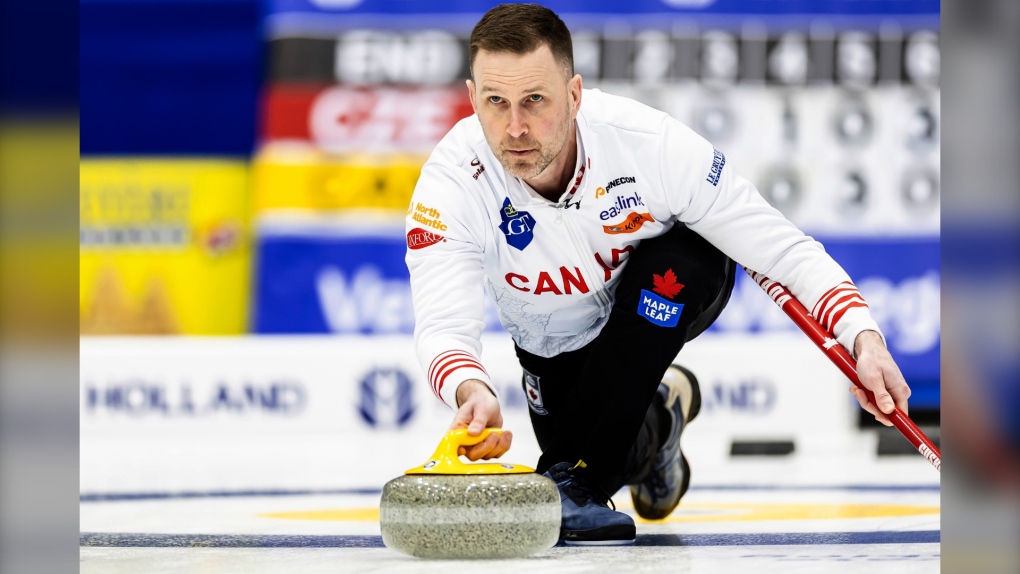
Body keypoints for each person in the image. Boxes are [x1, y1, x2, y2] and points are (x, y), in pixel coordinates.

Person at [404, 3, 911, 546]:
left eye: (535, 100)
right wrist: (469, 387)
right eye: (495, 103)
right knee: (595, 456)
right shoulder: (450, 182)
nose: (516, 127)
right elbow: (443, 326)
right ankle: (662, 418)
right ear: (472, 97)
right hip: (553, 340)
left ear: (574, 95)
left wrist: (864, 337)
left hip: (666, 288)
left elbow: (779, 249)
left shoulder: (650, 144)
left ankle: (586, 467)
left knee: (572, 476)